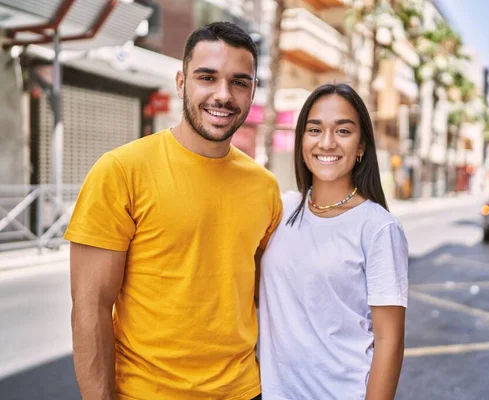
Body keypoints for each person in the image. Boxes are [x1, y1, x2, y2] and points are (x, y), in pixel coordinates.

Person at [66, 22, 282, 400]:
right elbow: (91, 308)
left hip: (245, 392)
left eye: (239, 82)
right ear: (181, 83)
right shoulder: (121, 170)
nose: (223, 95)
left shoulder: (265, 187)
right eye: (207, 77)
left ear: (252, 93)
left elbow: (264, 298)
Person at [257, 83, 409, 399]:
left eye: (342, 131)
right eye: (315, 130)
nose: (327, 143)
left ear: (361, 146)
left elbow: (389, 341)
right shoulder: (278, 210)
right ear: (301, 140)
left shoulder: (378, 228)